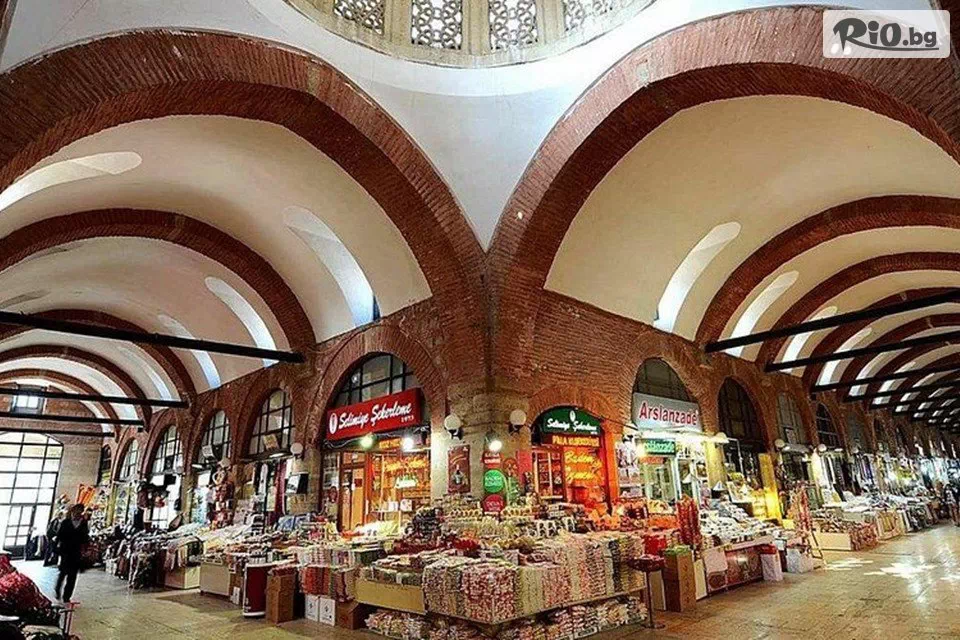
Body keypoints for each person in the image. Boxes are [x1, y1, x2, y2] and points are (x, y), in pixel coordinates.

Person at [54, 504, 88, 603]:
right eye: (76, 512)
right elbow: (59, 535)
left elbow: (85, 537)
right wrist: (57, 548)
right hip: (65, 551)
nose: (77, 514)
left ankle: (67, 596)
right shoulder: (66, 522)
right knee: (63, 573)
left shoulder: (83, 523)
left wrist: (85, 548)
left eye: (79, 512)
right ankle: (57, 589)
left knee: (72, 576)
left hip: (76, 552)